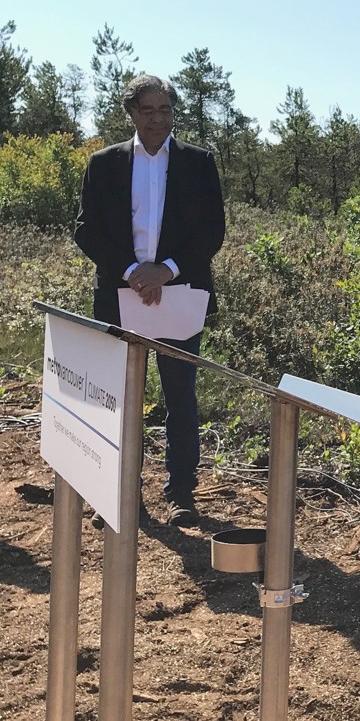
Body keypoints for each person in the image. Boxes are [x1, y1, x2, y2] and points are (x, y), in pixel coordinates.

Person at [75, 74, 225, 528]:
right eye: (148, 110)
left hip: (181, 296)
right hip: (119, 297)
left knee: (181, 398)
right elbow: (86, 229)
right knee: (120, 400)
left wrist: (167, 270)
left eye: (165, 110)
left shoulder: (198, 163)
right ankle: (121, 494)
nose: (158, 118)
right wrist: (132, 273)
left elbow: (212, 231)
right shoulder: (104, 164)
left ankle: (181, 494)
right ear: (131, 113)